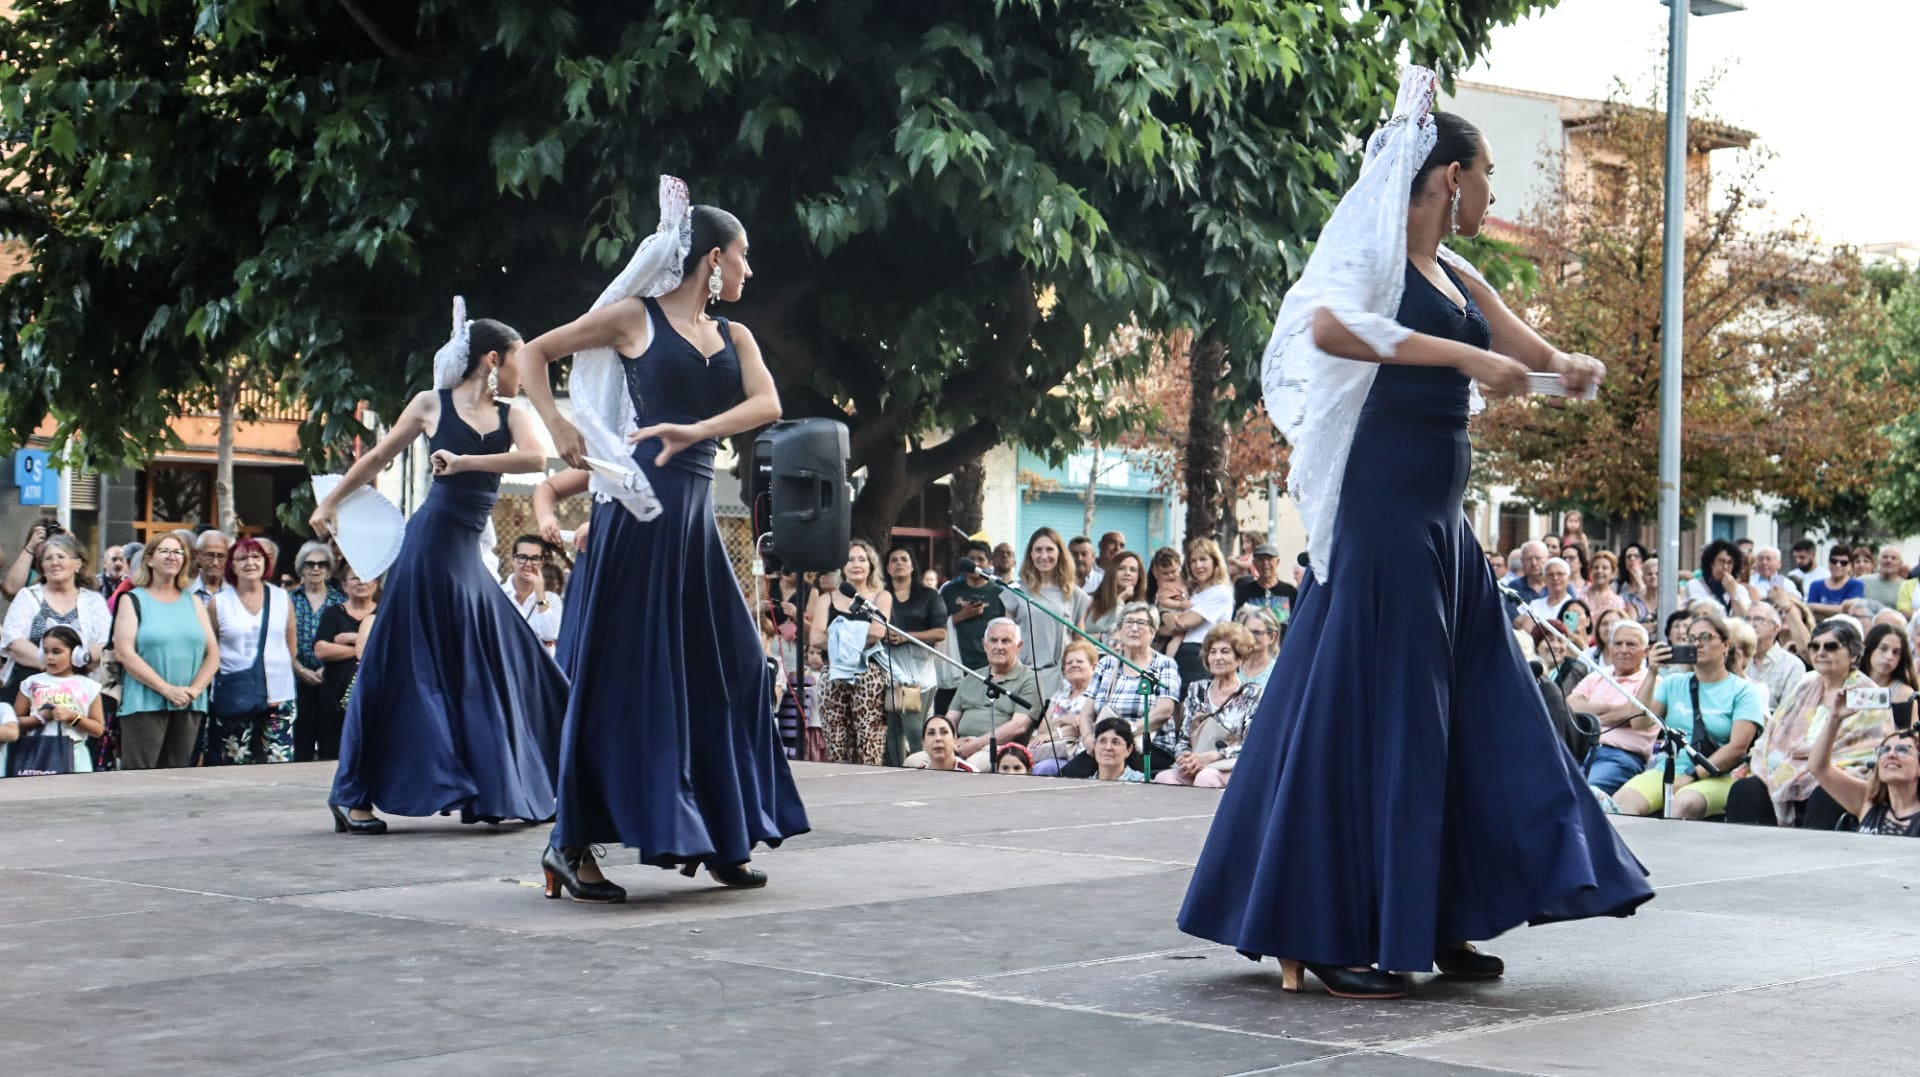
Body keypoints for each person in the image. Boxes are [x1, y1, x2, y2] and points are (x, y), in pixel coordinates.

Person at [1179, 80, 1649, 1001]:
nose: (1492, 198)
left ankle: (1435, 908)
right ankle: (1329, 922)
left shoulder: (1461, 276)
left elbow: (1528, 345)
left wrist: (1568, 365)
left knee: (1483, 709)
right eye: (1486, 178)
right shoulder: (1373, 264)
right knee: (1384, 719)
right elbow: (1328, 325)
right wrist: (1469, 360)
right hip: (1384, 517)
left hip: (1443, 529)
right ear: (1447, 175)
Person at [512, 183, 807, 899]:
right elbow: (533, 354)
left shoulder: (736, 336)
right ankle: (569, 845)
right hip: (637, 514)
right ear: (713, 258)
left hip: (696, 523)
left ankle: (720, 834)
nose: (749, 271)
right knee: (622, 680)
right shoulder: (632, 319)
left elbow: (767, 405)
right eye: (743, 257)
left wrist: (697, 431)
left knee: (733, 669)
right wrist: (557, 427)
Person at [314, 308, 567, 835]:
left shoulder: (511, 413)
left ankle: (506, 787)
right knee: (397, 668)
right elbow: (380, 456)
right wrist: (331, 502)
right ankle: (353, 795)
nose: (524, 371)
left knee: (512, 660)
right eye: (519, 359)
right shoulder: (431, 404)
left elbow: (536, 460)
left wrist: (466, 462)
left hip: (465, 555)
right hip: (428, 547)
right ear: (493, 359)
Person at [1727, 619, 1891, 828]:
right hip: (1788, 766)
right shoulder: (1805, 684)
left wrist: (1814, 758)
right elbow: (1775, 735)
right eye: (1815, 646)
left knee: (1825, 791)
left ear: (1854, 654)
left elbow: (1866, 751)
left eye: (1830, 647)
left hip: (1839, 770)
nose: (1821, 652)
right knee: (1745, 789)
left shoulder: (1867, 694)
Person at [1612, 611, 1767, 820]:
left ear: (1726, 645)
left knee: (1682, 804)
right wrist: (1652, 672)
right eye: (1691, 639)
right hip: (1668, 771)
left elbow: (1737, 748)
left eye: (1705, 637)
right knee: (1621, 803)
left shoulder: (1743, 691)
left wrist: (1691, 776)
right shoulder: (1673, 683)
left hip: (1719, 774)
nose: (1697, 644)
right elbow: (1639, 722)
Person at [112, 530, 218, 769]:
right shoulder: (132, 599)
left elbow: (213, 654)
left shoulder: (194, 602)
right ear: (149, 559)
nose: (173, 556)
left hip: (189, 704)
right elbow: (124, 653)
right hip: (144, 703)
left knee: (178, 780)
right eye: (165, 551)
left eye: (178, 552)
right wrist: (166, 690)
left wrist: (194, 690)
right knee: (140, 780)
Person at [1056, 602, 1180, 779]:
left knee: (1115, 770)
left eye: (1141, 623)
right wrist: (1089, 739)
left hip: (1147, 746)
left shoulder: (1164, 664)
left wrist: (1128, 732)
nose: (1134, 628)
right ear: (1120, 630)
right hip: (1106, 744)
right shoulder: (1107, 663)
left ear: (1152, 632)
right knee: (1068, 775)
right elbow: (1086, 714)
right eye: (1128, 623)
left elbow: (1164, 710)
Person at [203, 536, 299, 765]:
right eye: (242, 558)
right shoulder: (220, 602)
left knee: (279, 760)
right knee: (235, 761)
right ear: (232, 565)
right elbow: (211, 647)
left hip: (279, 692)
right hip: (235, 692)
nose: (250, 563)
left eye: (256, 557)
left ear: (266, 563)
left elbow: (290, 644)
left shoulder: (281, 598)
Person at [808, 539, 893, 766]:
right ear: (842, 567)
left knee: (869, 739)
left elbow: (876, 632)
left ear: (871, 566)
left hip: (868, 674)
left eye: (862, 559)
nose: (857, 564)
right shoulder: (827, 598)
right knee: (836, 740)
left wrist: (836, 636)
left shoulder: (881, 597)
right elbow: (815, 638)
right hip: (833, 673)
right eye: (850, 559)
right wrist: (856, 636)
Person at [1, 535, 112, 705]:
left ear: (77, 564)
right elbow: (13, 641)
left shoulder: (93, 601)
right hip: (27, 691)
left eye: (61, 556)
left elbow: (105, 642)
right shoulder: (27, 596)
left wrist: (80, 660)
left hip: (80, 692)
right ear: (42, 566)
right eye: (48, 558)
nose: (55, 562)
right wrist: (53, 665)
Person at [923, 617, 1041, 771]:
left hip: (998, 749)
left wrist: (975, 745)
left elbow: (1018, 726)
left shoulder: (1029, 679)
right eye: (993, 641)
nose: (999, 646)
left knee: (967, 768)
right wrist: (950, 742)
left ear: (1018, 646)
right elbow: (950, 719)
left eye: (1005, 641)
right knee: (914, 762)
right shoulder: (972, 677)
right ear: (985, 645)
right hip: (957, 745)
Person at [1155, 622, 1261, 788]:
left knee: (1205, 778)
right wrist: (1185, 759)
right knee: (1164, 778)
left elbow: (1251, 745)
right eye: (1213, 652)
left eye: (1225, 652)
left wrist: (1213, 756)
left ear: (1239, 658)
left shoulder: (1251, 693)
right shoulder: (1197, 689)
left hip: (1231, 764)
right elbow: (1183, 738)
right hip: (1198, 763)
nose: (1217, 657)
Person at [1001, 526, 1090, 699]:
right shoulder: (1016, 591)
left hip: (1061, 679)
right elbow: (1007, 638)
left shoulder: (1074, 594)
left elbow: (1080, 641)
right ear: (1030, 555)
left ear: (1060, 553)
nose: (1044, 556)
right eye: (1038, 550)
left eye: (1049, 549)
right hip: (1022, 676)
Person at [3, 625, 105, 775]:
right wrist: (39, 718)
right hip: (37, 753)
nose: (49, 657)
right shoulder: (31, 683)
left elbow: (98, 729)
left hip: (76, 755)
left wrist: (73, 717)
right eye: (45, 651)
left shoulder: (89, 686)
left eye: (56, 652)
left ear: (75, 654)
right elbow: (15, 723)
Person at [881, 544, 948, 766]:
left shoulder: (929, 596)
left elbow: (940, 632)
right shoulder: (881, 596)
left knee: (913, 730)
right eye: (893, 560)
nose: (899, 563)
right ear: (887, 569)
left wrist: (906, 636)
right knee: (892, 732)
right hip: (887, 672)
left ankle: (924, 769)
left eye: (904, 559)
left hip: (915, 675)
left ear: (912, 567)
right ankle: (896, 774)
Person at [1569, 620, 1654, 794]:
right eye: (1618, 644)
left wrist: (1589, 719)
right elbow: (1570, 705)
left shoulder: (1651, 682)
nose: (1623, 650)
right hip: (1580, 751)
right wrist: (1614, 709)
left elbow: (1633, 714)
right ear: (1610, 647)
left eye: (1631, 644)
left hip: (1620, 757)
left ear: (1645, 651)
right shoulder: (1598, 675)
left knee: (1584, 793)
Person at [1807, 713, 1920, 836]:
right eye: (1884, 750)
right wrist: (1834, 718)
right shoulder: (1867, 800)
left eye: (1902, 749)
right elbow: (1818, 768)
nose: (1891, 754)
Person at [310, 566, 379, 761]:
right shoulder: (332, 613)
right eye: (354, 578)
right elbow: (321, 650)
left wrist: (346, 638)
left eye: (366, 577)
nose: (361, 582)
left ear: (376, 584)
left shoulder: (385, 612)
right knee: (332, 752)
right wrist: (364, 647)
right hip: (334, 695)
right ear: (344, 585)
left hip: (372, 695)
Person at [287, 541, 345, 763]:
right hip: (295, 680)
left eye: (322, 564)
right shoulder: (289, 600)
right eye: (310, 564)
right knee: (301, 740)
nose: (316, 569)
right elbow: (278, 642)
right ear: (301, 568)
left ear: (329, 570)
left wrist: (325, 668)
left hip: (330, 680)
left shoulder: (339, 602)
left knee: (330, 742)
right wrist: (299, 669)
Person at [939, 541, 1007, 712]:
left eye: (981, 559)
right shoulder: (949, 590)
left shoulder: (1000, 592)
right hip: (955, 665)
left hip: (988, 666)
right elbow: (938, 626)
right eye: (971, 559)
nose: (975, 564)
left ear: (989, 563)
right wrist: (962, 615)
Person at [1161, 536, 1232, 691]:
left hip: (1199, 655)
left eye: (1203, 559)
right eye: (1193, 561)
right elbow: (1164, 628)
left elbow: (1182, 623)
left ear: (1215, 562)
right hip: (1182, 653)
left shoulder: (1219, 592)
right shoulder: (1194, 593)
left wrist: (1165, 617)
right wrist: (1165, 616)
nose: (1198, 565)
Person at [1029, 640, 1099, 776]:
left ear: (1093, 667)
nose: (1074, 665)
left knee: (1042, 769)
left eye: (1079, 661)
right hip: (1049, 751)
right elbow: (1042, 730)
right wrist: (1063, 720)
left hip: (1077, 755)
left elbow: (1084, 728)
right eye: (1069, 663)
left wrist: (1053, 733)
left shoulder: (1095, 695)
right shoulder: (1059, 696)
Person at [498, 535, 564, 652]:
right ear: (512, 560)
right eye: (522, 557)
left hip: (539, 665)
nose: (528, 564)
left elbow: (549, 634)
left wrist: (540, 594)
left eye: (534, 558)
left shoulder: (552, 599)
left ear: (541, 562)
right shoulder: (498, 594)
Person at [1744, 601, 1808, 712]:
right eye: (1747, 620)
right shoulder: (1736, 660)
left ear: (1776, 628)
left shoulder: (1792, 665)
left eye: (1758, 619)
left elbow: (1790, 713)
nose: (1752, 624)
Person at [1085, 550, 1146, 646]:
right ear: (1112, 572)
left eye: (1133, 570)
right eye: (1121, 568)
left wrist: (1120, 601)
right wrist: (1102, 637)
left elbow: (1120, 634)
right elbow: (1076, 636)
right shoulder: (1090, 600)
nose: (1127, 573)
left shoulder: (1143, 608)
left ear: (1139, 576)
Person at [1684, 540, 1752, 617]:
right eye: (1721, 561)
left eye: (1729, 563)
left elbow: (1745, 618)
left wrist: (1733, 595)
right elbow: (1697, 612)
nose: (1725, 567)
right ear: (1711, 562)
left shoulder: (1740, 590)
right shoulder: (1695, 585)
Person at [1232, 543, 1297, 622]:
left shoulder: (1289, 592)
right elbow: (1237, 621)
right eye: (1261, 560)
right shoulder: (1246, 592)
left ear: (1277, 562)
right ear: (1254, 563)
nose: (1265, 563)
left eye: (1269, 559)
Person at [1807, 544, 1866, 618]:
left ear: (1850, 565)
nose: (1838, 565)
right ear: (1828, 562)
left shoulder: (1856, 585)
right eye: (1834, 561)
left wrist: (1816, 607)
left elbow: (1849, 610)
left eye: (1843, 563)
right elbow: (1808, 609)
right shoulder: (1816, 585)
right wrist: (1839, 608)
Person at [1085, 716, 1145, 782]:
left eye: (1115, 742)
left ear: (1129, 749)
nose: (1108, 747)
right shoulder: (1084, 785)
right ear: (1095, 745)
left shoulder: (1142, 783)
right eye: (1102, 741)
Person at [1234, 606, 1281, 688]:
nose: (1250, 637)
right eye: (1247, 631)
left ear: (1272, 637)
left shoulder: (1278, 672)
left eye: (1257, 632)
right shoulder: (1232, 665)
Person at [1500, 540, 1548, 604]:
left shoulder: (1558, 585)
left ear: (1548, 559)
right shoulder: (1514, 587)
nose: (1534, 563)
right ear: (1522, 561)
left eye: (1538, 558)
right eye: (1529, 559)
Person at [189, 529, 230, 604]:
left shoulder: (236, 592)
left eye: (221, 556)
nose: (215, 563)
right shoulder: (185, 592)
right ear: (197, 556)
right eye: (210, 555)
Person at [1863, 546, 1908, 610]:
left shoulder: (1907, 587)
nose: (1888, 560)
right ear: (1879, 561)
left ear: (1900, 564)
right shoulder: (1863, 581)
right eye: (1885, 557)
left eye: (1894, 558)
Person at [1584, 550, 1625, 615]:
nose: (1599, 571)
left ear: (1613, 573)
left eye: (1605, 568)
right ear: (1590, 571)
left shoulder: (1617, 601)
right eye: (1596, 567)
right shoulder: (1579, 596)